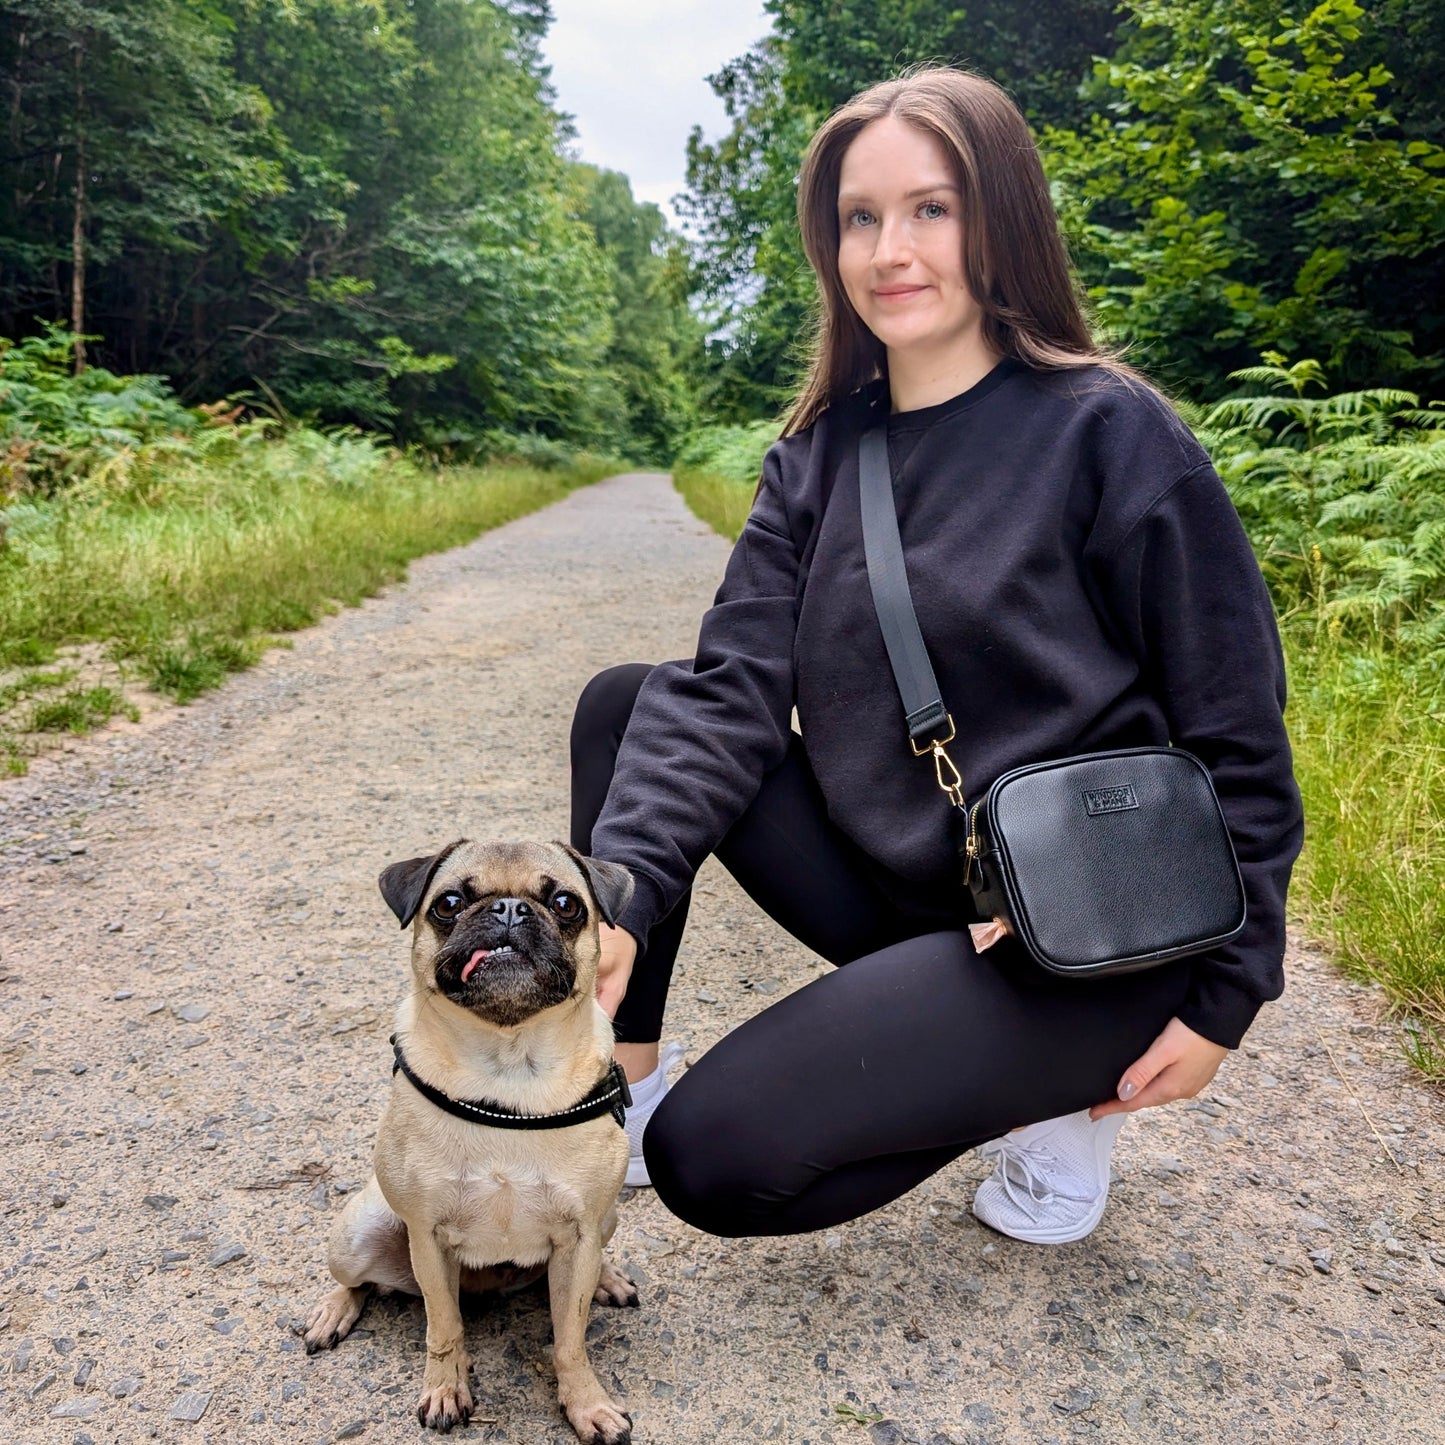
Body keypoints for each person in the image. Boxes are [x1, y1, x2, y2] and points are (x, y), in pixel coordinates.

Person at [569, 67, 1303, 1244]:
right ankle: (618, 1086)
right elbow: (729, 693)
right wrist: (618, 904)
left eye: (930, 208)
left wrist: (1226, 1001)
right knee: (633, 707)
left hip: (1083, 930)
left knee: (714, 1162)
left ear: (999, 216)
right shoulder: (816, 454)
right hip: (917, 887)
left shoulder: (1108, 430)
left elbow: (1238, 739)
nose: (886, 250)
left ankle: (1050, 1092)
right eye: (859, 217)